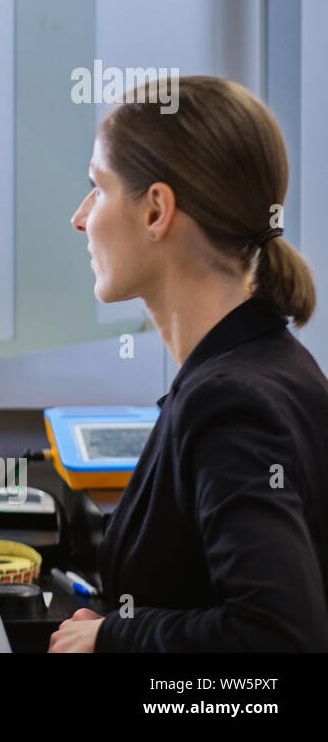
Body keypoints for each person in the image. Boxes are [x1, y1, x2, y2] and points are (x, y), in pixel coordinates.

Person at [52, 76, 328, 652]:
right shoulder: (262, 364)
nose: (81, 218)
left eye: (96, 189)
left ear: (156, 210)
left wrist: (113, 641)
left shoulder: (232, 403)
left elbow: (279, 635)